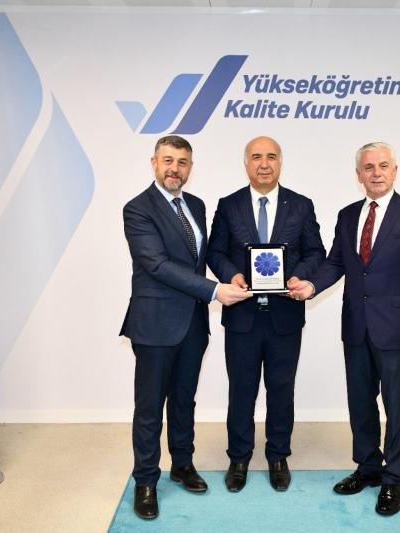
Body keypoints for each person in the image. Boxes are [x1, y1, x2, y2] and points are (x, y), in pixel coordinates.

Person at [288, 141, 400, 516]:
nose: (376, 173)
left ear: (395, 171)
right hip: (356, 328)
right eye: (369, 167)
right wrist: (311, 285)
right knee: (360, 403)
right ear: (358, 175)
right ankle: (368, 467)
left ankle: (393, 479)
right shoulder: (347, 215)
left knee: (399, 408)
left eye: (383, 166)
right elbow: (335, 263)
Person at [120, 135, 252, 520]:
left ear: (190, 168)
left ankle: (182, 464)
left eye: (182, 162)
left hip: (193, 323)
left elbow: (201, 258)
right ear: (154, 163)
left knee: (184, 400)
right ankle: (146, 480)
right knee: (150, 407)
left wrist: (232, 275)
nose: (174, 169)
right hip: (155, 324)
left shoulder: (195, 205)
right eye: (168, 160)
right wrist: (215, 290)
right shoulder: (138, 209)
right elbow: (157, 265)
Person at [207, 136, 326, 492]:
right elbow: (215, 252)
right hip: (242, 316)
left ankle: (278, 456)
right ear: (246, 163)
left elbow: (316, 252)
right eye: (256, 156)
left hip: (284, 316)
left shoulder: (301, 205)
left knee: (281, 389)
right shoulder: (229, 205)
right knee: (241, 390)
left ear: (280, 162)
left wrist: (299, 276)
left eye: (271, 156)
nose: (264, 163)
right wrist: (231, 275)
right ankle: (238, 458)